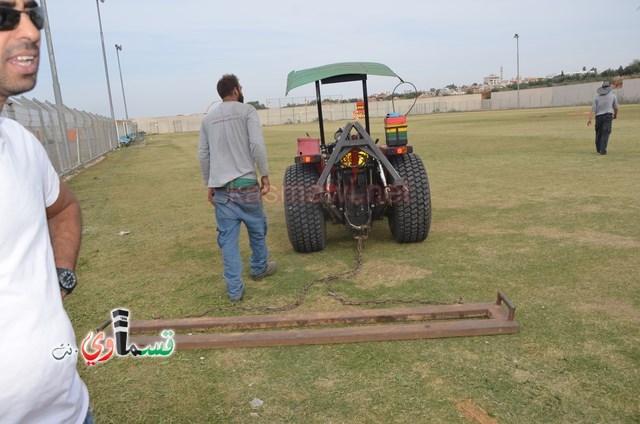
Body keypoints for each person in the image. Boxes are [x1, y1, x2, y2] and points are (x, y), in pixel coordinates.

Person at [0, 1, 92, 423]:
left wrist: (62, 273)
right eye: (5, 15)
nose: (30, 31)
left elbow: (64, 208)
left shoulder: (21, 144)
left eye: (33, 14)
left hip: (71, 411)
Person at [198, 74, 276, 302]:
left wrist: (209, 183)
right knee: (258, 230)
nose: (242, 90)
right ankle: (259, 267)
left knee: (228, 242)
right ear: (234, 90)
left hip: (222, 191)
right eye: (240, 87)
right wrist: (264, 174)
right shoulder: (247, 111)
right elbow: (257, 145)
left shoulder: (208, 120)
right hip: (247, 187)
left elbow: (203, 155)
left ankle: (234, 291)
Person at [587, 81, 619, 155]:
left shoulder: (596, 97)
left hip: (598, 117)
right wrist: (615, 115)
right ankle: (602, 150)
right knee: (605, 133)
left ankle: (599, 149)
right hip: (607, 116)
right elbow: (616, 107)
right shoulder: (613, 96)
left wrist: (589, 119)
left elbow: (594, 110)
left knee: (598, 133)